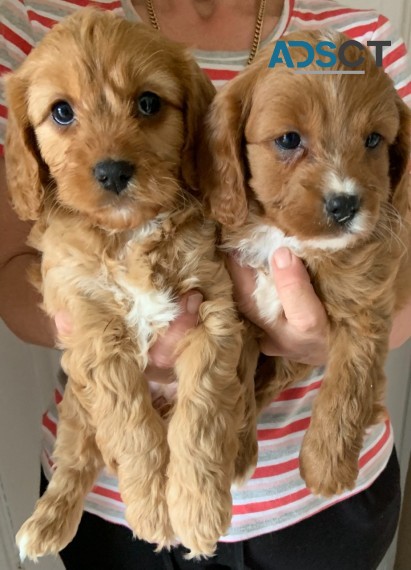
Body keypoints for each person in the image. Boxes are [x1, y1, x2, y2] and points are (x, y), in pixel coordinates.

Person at [0, 1, 410, 568]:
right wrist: (107, 328)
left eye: (147, 106)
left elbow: (398, 243)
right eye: (64, 114)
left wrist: (340, 338)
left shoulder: (362, 35)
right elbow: (15, 266)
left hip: (323, 507)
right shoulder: (34, 23)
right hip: (116, 506)